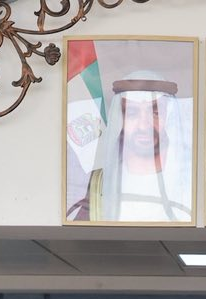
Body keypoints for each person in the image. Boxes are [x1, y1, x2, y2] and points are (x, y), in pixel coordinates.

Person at [80, 73, 193, 222]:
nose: (143, 125)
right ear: (120, 119)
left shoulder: (191, 181)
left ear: (169, 117)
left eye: (155, 113)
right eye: (132, 113)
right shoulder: (99, 183)